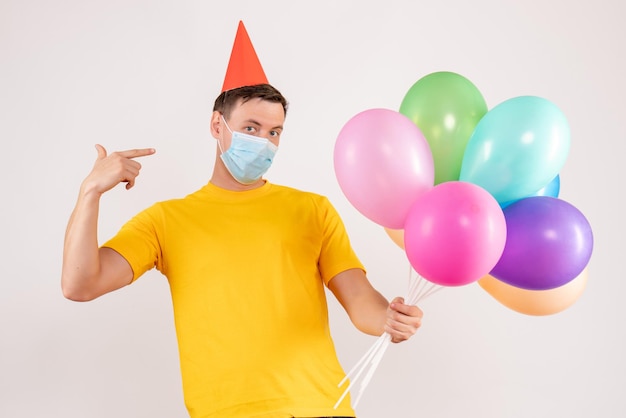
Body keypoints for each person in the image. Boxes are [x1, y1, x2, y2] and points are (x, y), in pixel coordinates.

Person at [61, 21, 423, 418]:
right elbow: (80, 284)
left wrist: (389, 319)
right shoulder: (166, 221)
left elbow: (358, 300)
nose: (264, 143)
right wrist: (89, 193)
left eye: (274, 132)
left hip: (318, 407)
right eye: (251, 128)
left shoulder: (312, 210)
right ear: (218, 125)